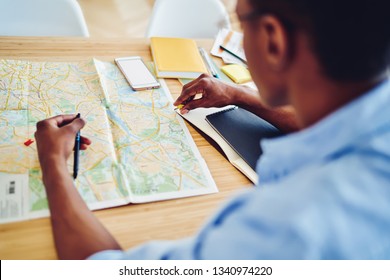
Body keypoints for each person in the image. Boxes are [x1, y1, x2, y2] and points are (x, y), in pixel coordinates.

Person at [35, 0, 390, 259]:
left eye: (239, 21)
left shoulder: (286, 229)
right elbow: (333, 122)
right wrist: (241, 95)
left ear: (273, 40)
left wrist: (53, 164)